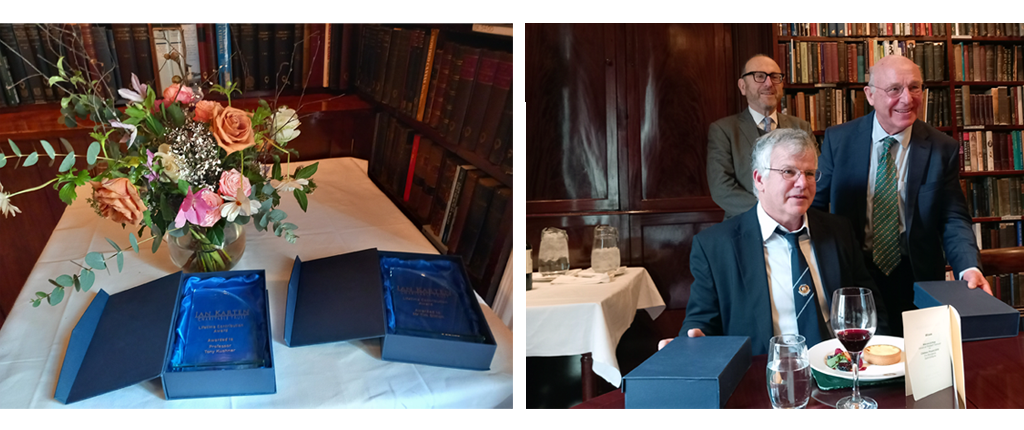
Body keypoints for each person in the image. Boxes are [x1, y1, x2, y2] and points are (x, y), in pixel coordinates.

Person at [812, 54, 991, 336]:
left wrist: (968, 267)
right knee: (865, 360)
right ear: (870, 95)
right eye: (895, 89)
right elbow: (816, 209)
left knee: (918, 367)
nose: (907, 99)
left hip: (916, 274)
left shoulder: (941, 148)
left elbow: (953, 217)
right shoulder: (839, 141)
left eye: (915, 87)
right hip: (854, 273)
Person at [666, 128, 888, 356]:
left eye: (810, 173)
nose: (803, 183)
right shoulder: (716, 247)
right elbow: (700, 324)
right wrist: (688, 345)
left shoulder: (838, 231)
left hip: (840, 371)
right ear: (759, 179)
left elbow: (869, 308)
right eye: (789, 172)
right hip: (761, 377)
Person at [707, 54, 813, 220]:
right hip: (744, 225)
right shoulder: (724, 130)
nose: (769, 83)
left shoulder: (801, 127)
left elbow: (814, 176)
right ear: (742, 86)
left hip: (796, 224)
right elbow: (721, 188)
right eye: (760, 76)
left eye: (775, 77)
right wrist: (770, 213)